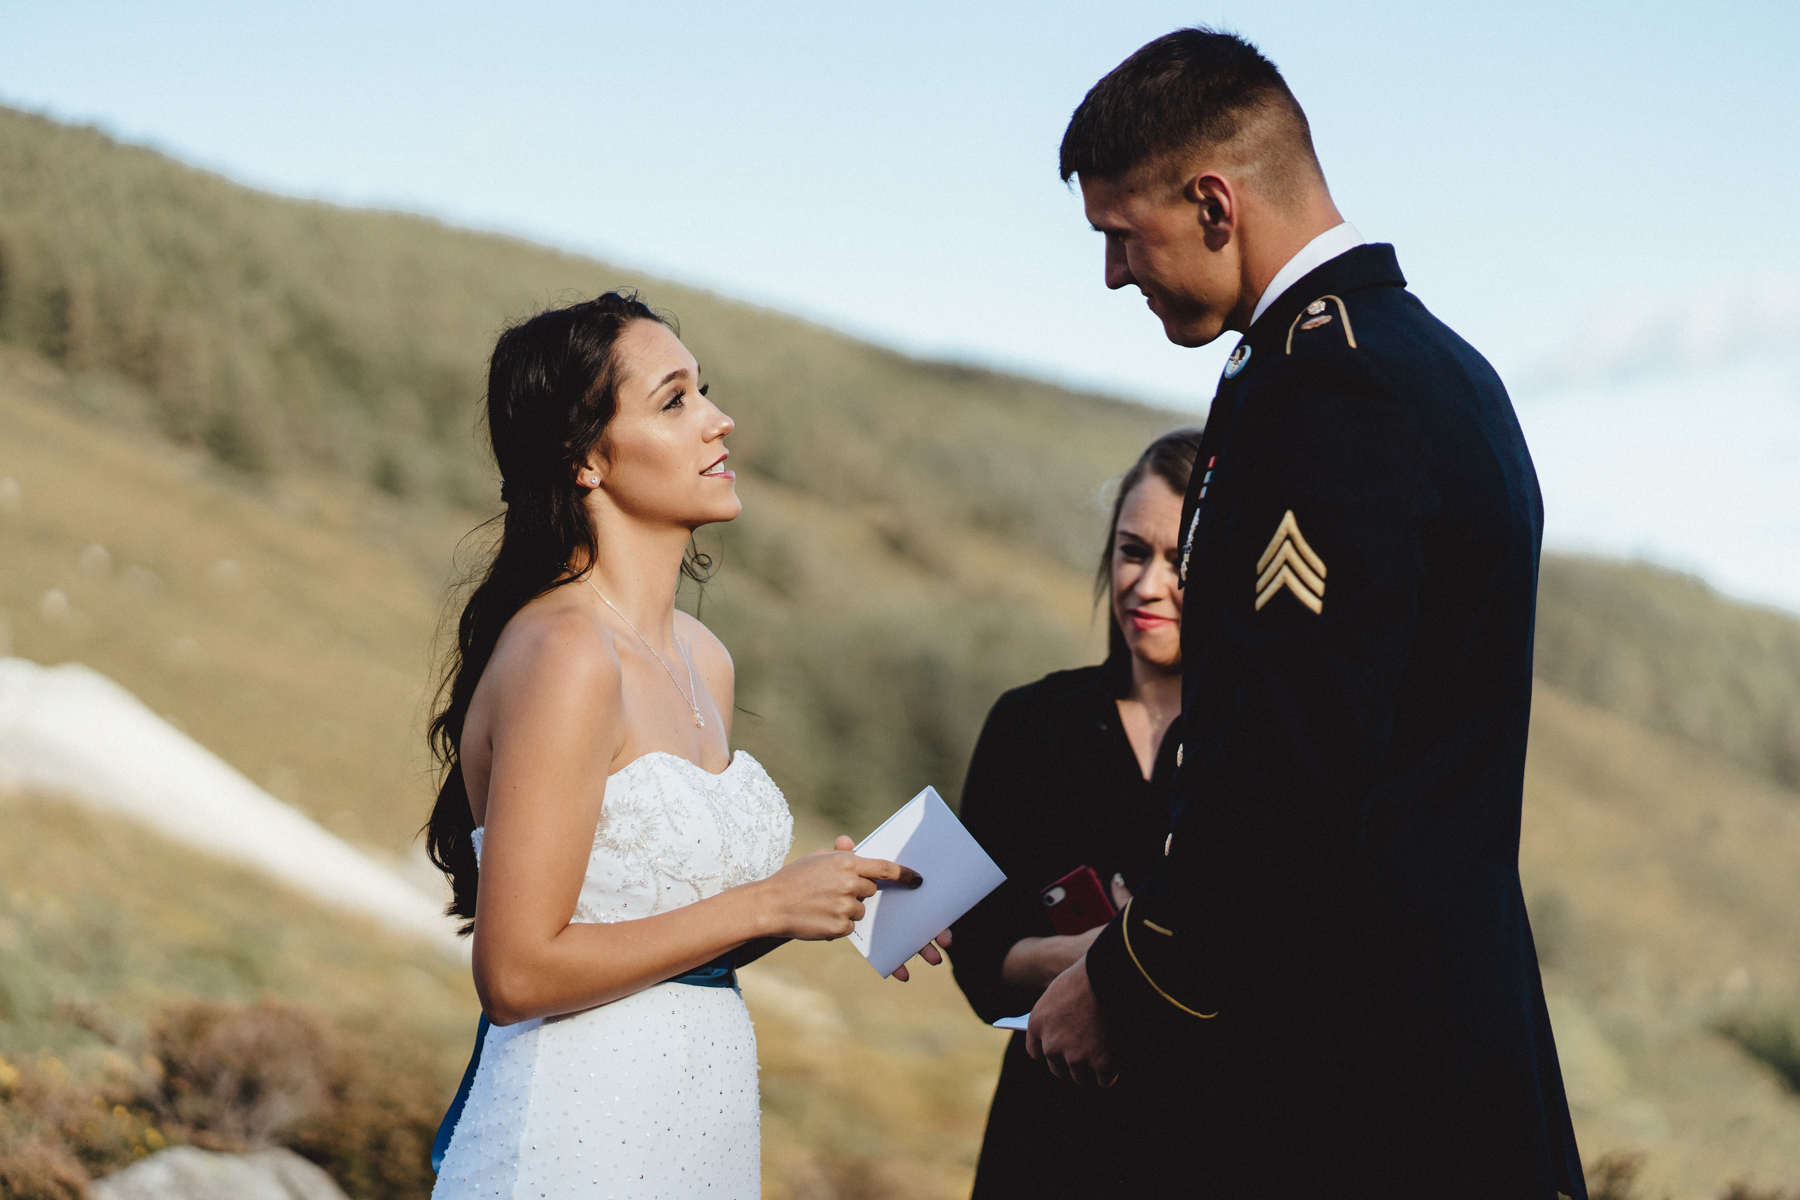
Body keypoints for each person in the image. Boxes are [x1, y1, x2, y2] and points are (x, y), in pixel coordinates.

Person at [1024, 28, 1588, 1199]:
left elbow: (1292, 764)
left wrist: (1127, 981)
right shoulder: (1433, 363)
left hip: (1357, 1074)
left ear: (1215, 202)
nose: (1116, 275)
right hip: (1433, 1030)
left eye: (1123, 236)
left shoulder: (1327, 392)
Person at [423, 292, 943, 1200]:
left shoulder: (707, 660)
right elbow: (513, 972)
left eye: (705, 391)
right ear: (586, 458)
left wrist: (826, 899)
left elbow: (670, 943)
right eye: (675, 401)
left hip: (694, 1135)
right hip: (574, 1142)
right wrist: (763, 906)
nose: (718, 419)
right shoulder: (565, 655)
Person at [948, 428, 1201, 1197]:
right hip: (1046, 1139)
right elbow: (980, 955)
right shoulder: (1032, 724)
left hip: (1204, 1142)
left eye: (1181, 561)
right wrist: (1109, 957)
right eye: (1131, 552)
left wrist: (1113, 962)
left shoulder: (1264, 752)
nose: (1147, 584)